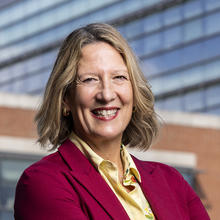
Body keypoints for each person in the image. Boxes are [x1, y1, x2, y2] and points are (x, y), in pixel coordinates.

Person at [14, 23, 210, 220]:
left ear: (134, 94)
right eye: (90, 79)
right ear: (65, 98)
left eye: (119, 77)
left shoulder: (172, 181)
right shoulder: (43, 183)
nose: (107, 94)